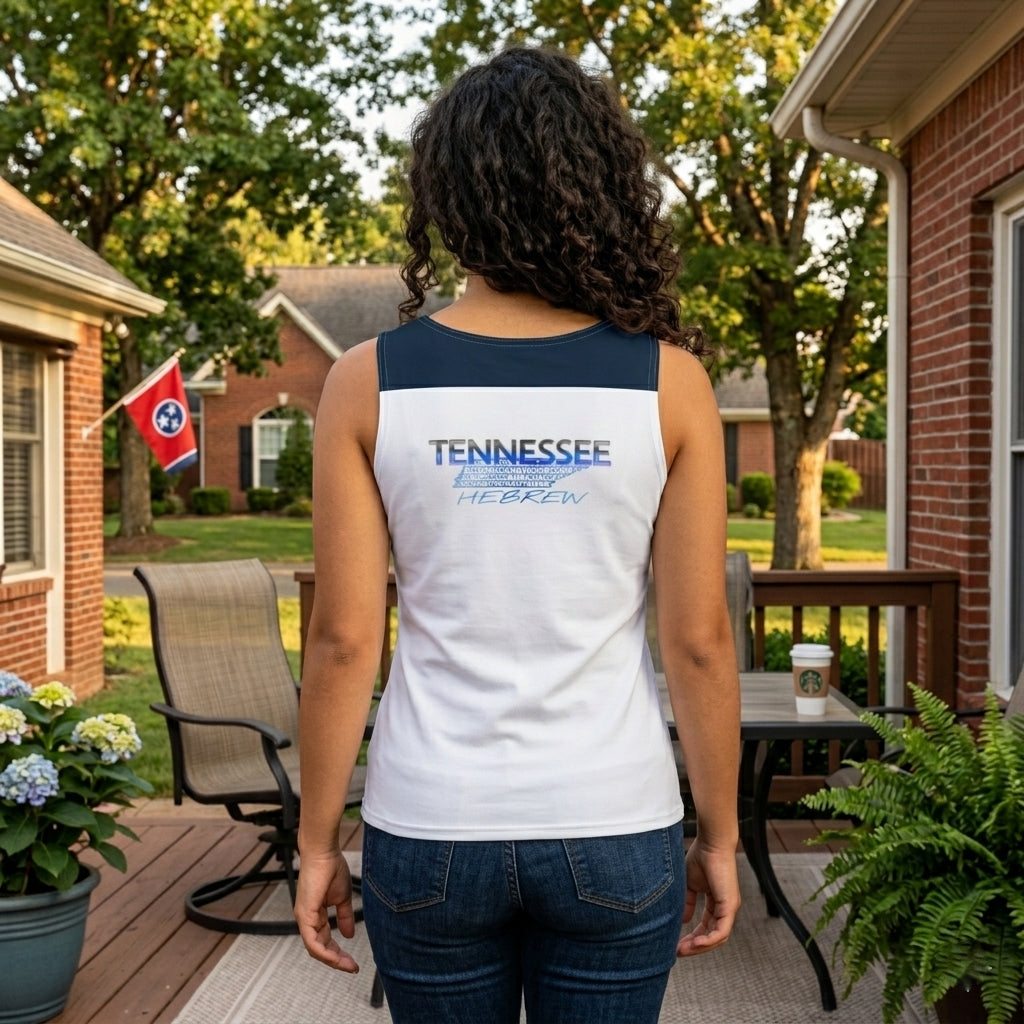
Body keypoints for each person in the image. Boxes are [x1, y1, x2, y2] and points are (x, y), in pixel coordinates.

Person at [295, 45, 741, 1024]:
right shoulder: (671, 385)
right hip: (615, 823)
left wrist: (316, 837)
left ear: (446, 197)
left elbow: (342, 639)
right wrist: (720, 829)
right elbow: (700, 638)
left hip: (430, 825)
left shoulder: (365, 380)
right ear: (599, 188)